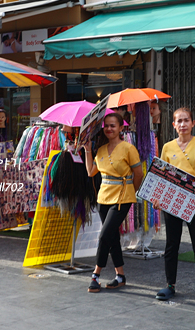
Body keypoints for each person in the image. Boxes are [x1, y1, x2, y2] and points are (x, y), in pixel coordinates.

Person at [156, 107, 195, 304]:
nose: (183, 124)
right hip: (172, 201)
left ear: (193, 123)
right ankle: (170, 285)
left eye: (186, 120)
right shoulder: (167, 147)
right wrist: (157, 198)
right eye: (179, 121)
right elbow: (161, 176)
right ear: (173, 125)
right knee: (171, 245)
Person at [82, 112, 144, 293]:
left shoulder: (128, 148)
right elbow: (91, 172)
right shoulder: (100, 149)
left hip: (122, 197)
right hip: (104, 197)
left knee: (104, 235)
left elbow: (138, 173)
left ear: (120, 128)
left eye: (113, 126)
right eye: (106, 126)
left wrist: (133, 190)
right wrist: (87, 150)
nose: (109, 129)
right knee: (112, 236)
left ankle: (96, 275)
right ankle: (120, 275)